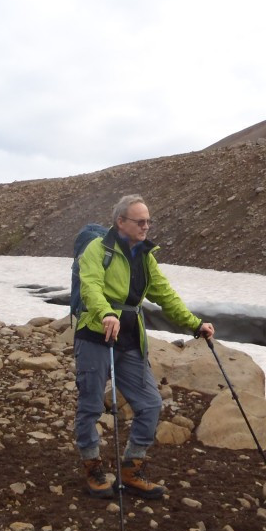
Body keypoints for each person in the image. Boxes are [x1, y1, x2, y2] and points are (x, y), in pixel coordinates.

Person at [73, 193, 215, 499]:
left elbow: (165, 295)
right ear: (120, 222)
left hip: (129, 339)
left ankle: (131, 469)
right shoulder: (97, 251)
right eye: (140, 221)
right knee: (91, 404)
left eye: (148, 221)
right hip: (95, 336)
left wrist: (194, 324)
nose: (146, 226)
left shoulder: (146, 257)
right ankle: (93, 466)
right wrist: (107, 314)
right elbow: (91, 287)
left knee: (150, 403)